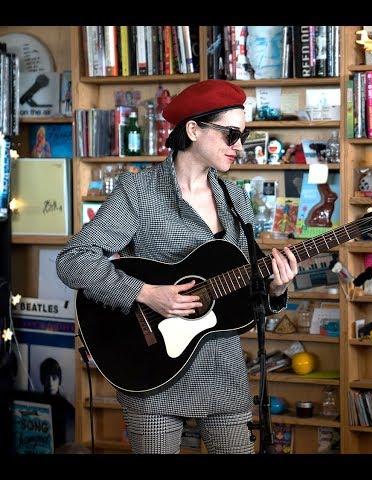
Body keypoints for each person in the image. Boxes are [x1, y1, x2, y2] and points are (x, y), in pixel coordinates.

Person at [56, 79, 298, 454]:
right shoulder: (139, 193)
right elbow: (74, 261)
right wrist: (147, 293)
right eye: (231, 134)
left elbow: (241, 296)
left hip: (223, 372)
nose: (239, 147)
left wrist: (276, 289)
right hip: (152, 372)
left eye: (243, 136)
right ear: (193, 129)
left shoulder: (235, 198)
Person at [39, 357, 75, 450]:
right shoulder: (36, 404)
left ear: (59, 380)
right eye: (47, 378)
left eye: (54, 378)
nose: (50, 383)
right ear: (42, 380)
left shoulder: (68, 408)